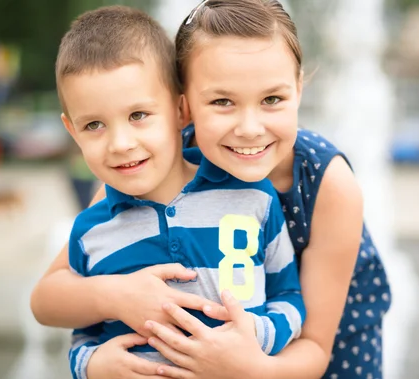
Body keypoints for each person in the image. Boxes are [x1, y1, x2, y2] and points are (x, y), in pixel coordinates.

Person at [31, 1, 392, 378]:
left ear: (298, 89)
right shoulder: (153, 161)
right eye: (222, 102)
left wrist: (245, 368)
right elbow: (49, 295)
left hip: (326, 347)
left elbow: (316, 347)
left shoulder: (327, 181)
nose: (249, 128)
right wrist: (116, 299)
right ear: (184, 107)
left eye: (272, 99)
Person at [52, 5, 305, 379]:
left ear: (180, 110)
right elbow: (84, 332)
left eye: (138, 115)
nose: (121, 143)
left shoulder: (255, 199)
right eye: (93, 124)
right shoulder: (91, 231)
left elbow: (289, 299)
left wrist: (255, 336)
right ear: (72, 131)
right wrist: (91, 365)